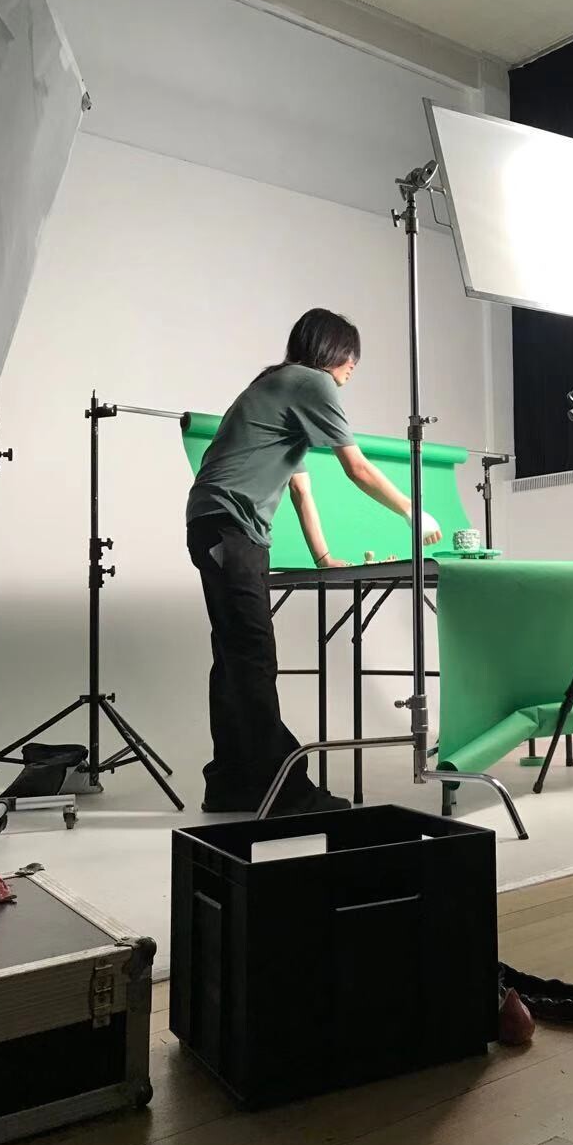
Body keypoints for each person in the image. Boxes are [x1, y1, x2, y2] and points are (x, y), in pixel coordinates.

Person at [186, 308, 441, 815]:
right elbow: (357, 468)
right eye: (352, 362)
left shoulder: (277, 387)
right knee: (253, 660)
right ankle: (285, 789)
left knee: (235, 660)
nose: (351, 373)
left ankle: (232, 785)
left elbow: (300, 486)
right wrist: (413, 510)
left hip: (218, 528)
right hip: (229, 529)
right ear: (336, 352)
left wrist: (323, 555)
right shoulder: (313, 382)